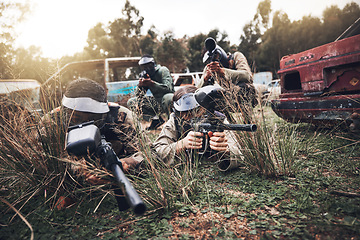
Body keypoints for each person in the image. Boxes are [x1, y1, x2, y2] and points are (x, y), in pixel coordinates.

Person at [152, 85, 243, 171]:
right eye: (185, 114)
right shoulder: (174, 121)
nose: (191, 117)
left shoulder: (217, 119)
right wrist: (181, 144)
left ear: (204, 108)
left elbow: (239, 155)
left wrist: (226, 150)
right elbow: (157, 152)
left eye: (196, 112)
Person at [196, 37, 258, 123]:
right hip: (228, 99)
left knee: (245, 87)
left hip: (245, 97)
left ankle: (248, 123)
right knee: (209, 98)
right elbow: (197, 91)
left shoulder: (236, 56)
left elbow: (247, 76)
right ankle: (231, 124)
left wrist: (223, 71)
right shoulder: (209, 67)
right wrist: (206, 78)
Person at [127, 54, 175, 130]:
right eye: (144, 67)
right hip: (156, 103)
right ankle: (156, 120)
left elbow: (169, 89)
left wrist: (152, 83)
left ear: (153, 64)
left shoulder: (163, 70)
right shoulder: (145, 75)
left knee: (168, 97)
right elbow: (139, 95)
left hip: (168, 100)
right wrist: (141, 86)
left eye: (149, 65)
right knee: (132, 102)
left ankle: (172, 123)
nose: (147, 68)